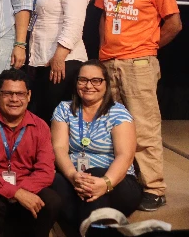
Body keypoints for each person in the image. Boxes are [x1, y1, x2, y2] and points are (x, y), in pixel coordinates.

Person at [95, 0, 182, 211]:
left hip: (139, 63)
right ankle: (125, 180)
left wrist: (148, 47)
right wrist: (103, 52)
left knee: (143, 128)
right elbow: (105, 18)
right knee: (115, 127)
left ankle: (154, 188)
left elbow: (174, 24)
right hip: (109, 62)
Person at [50, 60, 141, 237]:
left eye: (96, 80)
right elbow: (59, 148)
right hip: (74, 180)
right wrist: (72, 175)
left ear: (106, 84)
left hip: (117, 184)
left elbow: (125, 155)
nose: (88, 85)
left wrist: (105, 183)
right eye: (83, 80)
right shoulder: (64, 109)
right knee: (51, 182)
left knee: (95, 174)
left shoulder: (118, 113)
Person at [0, 69, 60, 237]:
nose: (14, 99)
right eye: (7, 93)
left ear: (29, 95)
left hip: (28, 185)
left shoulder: (41, 126)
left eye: (20, 94)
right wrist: (15, 192)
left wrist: (23, 191)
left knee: (52, 201)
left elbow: (45, 171)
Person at [28, 0, 90, 121]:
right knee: (42, 116)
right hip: (42, 58)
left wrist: (59, 57)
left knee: (55, 118)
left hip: (63, 62)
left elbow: (74, 25)